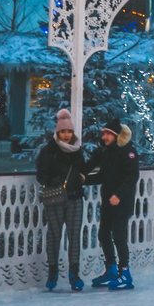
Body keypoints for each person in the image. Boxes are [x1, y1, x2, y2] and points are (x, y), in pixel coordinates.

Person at [35, 107, 87, 291]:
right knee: (54, 234)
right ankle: (53, 272)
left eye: (69, 131)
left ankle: (74, 274)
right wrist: (53, 181)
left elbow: (83, 169)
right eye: (63, 131)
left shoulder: (77, 150)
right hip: (55, 197)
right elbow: (41, 174)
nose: (66, 135)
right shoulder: (49, 151)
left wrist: (83, 176)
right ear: (57, 132)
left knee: (74, 236)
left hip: (74, 197)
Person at [85, 118, 140, 291]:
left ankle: (125, 273)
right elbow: (103, 176)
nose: (105, 136)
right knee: (103, 235)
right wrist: (83, 180)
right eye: (104, 133)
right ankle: (111, 269)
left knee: (119, 236)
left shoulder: (128, 151)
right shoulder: (106, 152)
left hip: (122, 202)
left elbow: (132, 177)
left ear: (116, 135)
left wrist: (118, 194)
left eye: (108, 134)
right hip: (108, 201)